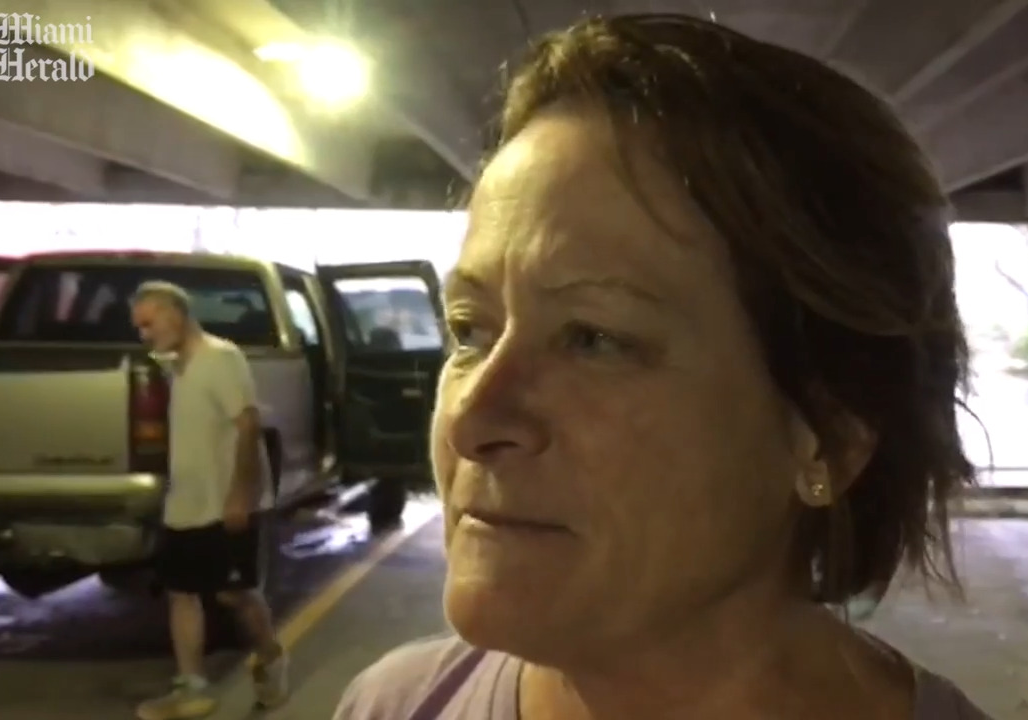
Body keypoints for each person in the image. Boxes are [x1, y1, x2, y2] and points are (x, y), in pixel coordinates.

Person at [336, 12, 993, 720]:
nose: (471, 419)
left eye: (593, 338)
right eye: (469, 331)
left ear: (829, 435)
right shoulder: (394, 706)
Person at [129, 281, 289, 720]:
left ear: (175, 314)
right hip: (186, 503)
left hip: (225, 503)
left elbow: (248, 425)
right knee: (182, 593)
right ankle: (193, 688)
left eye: (149, 322)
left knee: (233, 595)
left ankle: (271, 656)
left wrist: (241, 494)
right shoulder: (175, 365)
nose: (144, 334)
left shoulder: (221, 358)